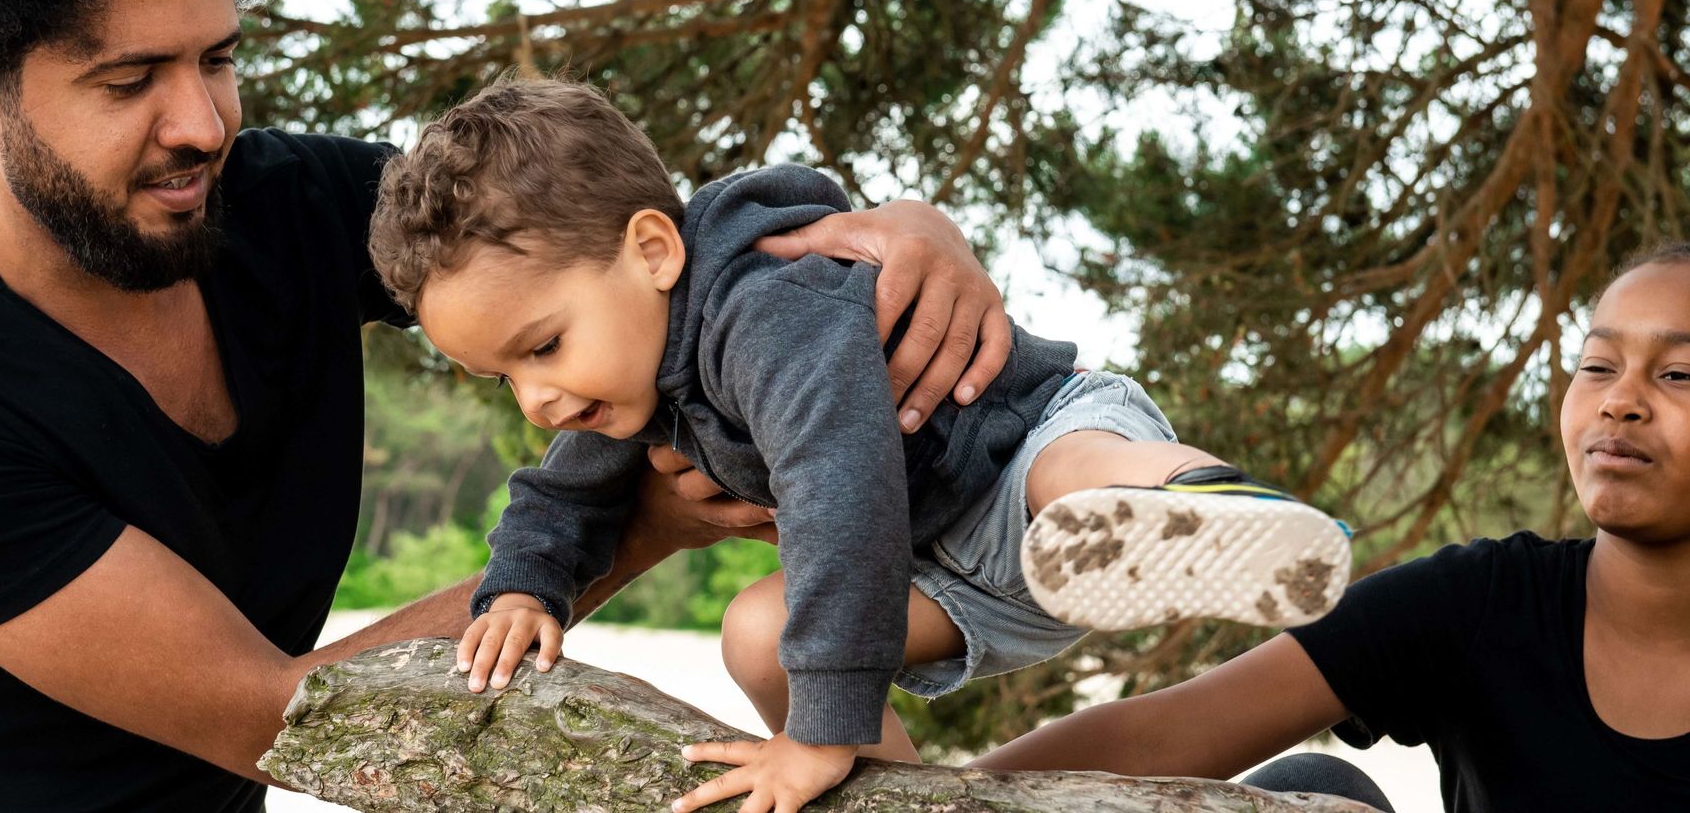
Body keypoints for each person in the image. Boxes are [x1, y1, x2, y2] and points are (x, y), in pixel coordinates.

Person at [0, 0, 1017, 809]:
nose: (203, 124)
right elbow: (276, 718)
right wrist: (637, 526)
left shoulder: (279, 202)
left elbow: (604, 252)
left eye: (215, 58)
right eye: (131, 80)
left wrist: (897, 233)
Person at [365, 76, 1352, 813]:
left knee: (1071, 477)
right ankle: (902, 798)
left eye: (542, 346)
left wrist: (816, 732)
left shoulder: (760, 311)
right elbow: (558, 495)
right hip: (952, 581)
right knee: (757, 631)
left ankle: (1215, 513)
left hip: (1017, 456)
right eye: (505, 376)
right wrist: (521, 590)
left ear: (654, 249)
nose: (536, 398)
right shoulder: (622, 377)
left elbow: (835, 485)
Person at [970, 237, 1690, 812]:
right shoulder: (1479, 604)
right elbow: (1163, 734)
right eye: (1596, 366)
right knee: (1313, 791)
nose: (1618, 400)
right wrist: (942, 798)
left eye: (1678, 373)